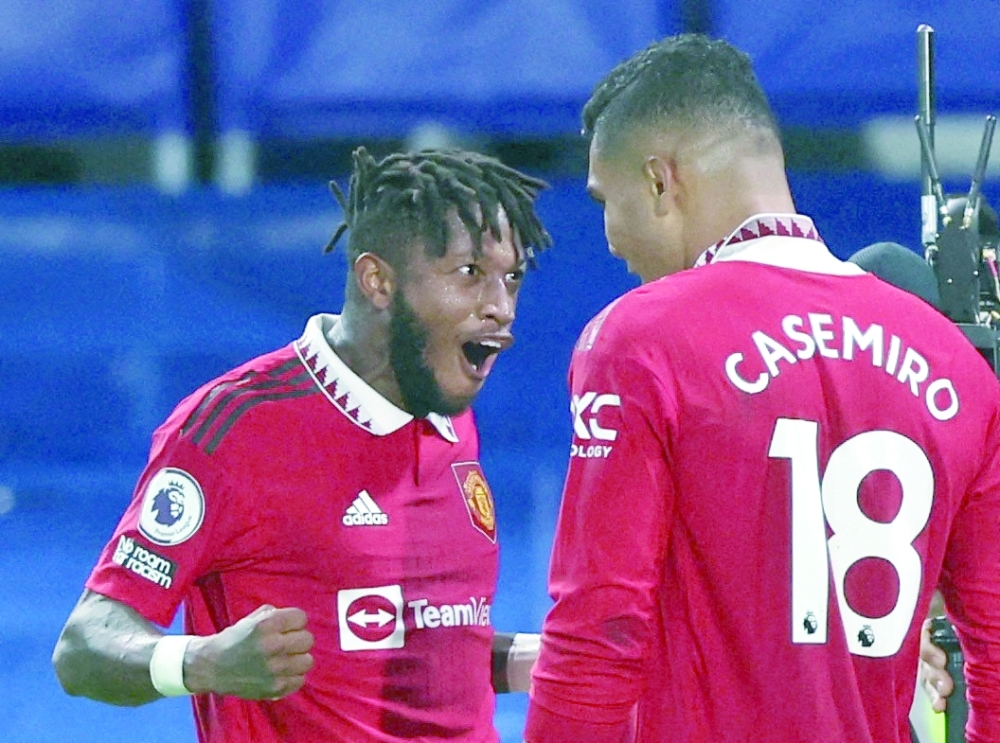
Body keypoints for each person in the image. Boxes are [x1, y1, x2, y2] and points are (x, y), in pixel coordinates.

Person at [523, 34, 1000, 743]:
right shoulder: (955, 364)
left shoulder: (642, 340)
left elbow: (597, 630)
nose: (611, 238)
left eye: (605, 200)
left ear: (660, 181)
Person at [52, 146, 551, 742]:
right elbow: (84, 646)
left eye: (512, 277)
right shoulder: (231, 430)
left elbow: (407, 642)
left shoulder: (446, 415)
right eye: (470, 273)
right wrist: (200, 661)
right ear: (379, 281)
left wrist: (537, 658)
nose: (500, 307)